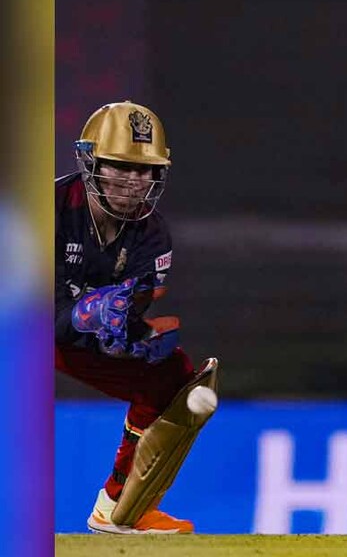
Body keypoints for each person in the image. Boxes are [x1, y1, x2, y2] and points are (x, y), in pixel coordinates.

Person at [55, 101, 219, 534]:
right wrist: (86, 313)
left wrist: (126, 334)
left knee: (170, 378)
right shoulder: (48, 210)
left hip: (67, 340)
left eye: (145, 171)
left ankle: (119, 507)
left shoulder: (153, 234)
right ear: (90, 162)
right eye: (121, 168)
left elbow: (132, 306)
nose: (134, 182)